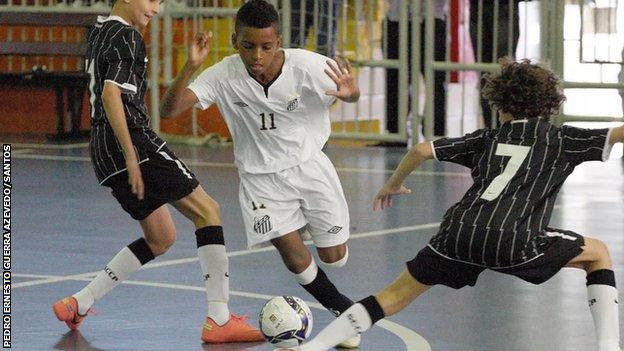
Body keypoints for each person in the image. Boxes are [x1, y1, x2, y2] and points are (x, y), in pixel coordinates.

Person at [279, 59, 623, 351]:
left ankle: (315, 347)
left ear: (500, 103)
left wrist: (392, 184)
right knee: (599, 253)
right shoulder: (561, 139)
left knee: (392, 297)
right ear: (549, 104)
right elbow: (617, 134)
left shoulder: (487, 138)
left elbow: (420, 150)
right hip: (514, 239)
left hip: (459, 232)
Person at [51, 0, 264, 344]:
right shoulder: (128, 37)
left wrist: (190, 66)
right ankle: (220, 319)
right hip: (131, 142)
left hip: (102, 153)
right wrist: (132, 154)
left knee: (161, 238)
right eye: (153, 0)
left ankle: (80, 301)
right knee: (208, 211)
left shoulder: (99, 31)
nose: (158, 9)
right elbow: (110, 94)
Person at [159, 0, 361, 348]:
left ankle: (312, 225)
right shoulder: (223, 74)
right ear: (235, 41)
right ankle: (343, 311)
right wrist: (190, 68)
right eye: (249, 45)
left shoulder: (309, 66)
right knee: (291, 251)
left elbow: (352, 92)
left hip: (309, 167)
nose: (257, 55)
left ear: (278, 42)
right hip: (260, 179)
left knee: (335, 257)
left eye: (266, 47)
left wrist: (351, 93)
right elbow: (169, 110)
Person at [383, 0, 448, 146]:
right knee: (395, 79)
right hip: (397, 18)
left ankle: (435, 133)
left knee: (436, 80)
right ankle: (395, 133)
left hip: (432, 19)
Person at [470, 0, 524, 128]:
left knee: (503, 74)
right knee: (489, 75)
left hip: (504, 10)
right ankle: (496, 131)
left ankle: (503, 130)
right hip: (481, 11)